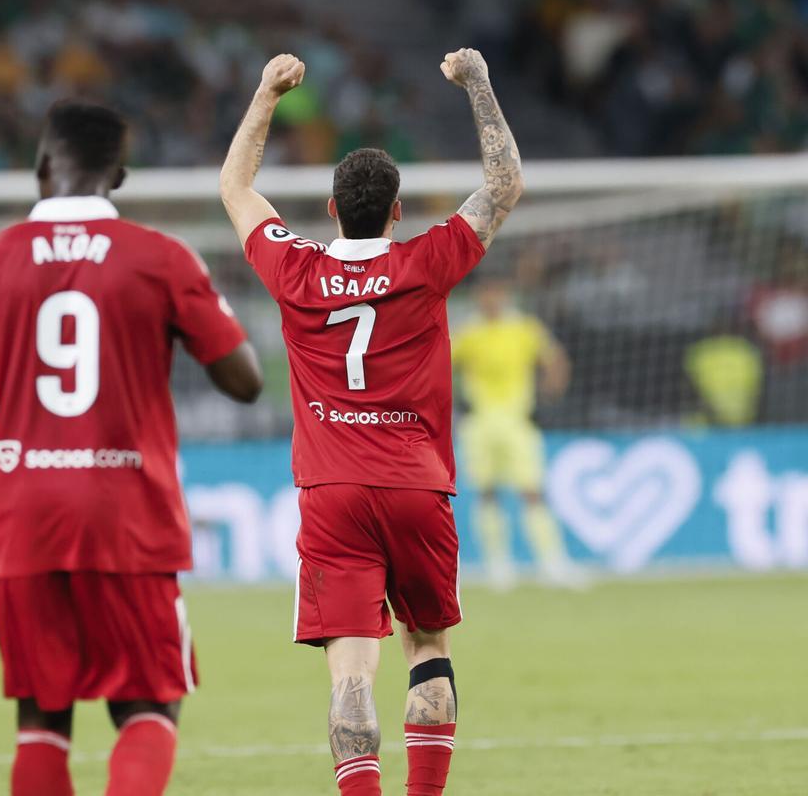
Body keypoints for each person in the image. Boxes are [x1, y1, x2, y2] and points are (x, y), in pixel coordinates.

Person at [0, 100, 262, 796]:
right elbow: (245, 381)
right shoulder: (161, 258)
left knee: (40, 717)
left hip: (25, 517)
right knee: (147, 704)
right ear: (121, 175)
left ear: (42, 167)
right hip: (129, 513)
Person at [219, 50, 523, 796]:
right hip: (418, 486)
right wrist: (479, 84)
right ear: (396, 210)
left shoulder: (296, 271)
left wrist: (266, 92)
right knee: (427, 644)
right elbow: (505, 182)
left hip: (332, 492)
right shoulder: (426, 261)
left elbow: (235, 185)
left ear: (330, 210)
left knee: (351, 671)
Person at [451, 275, 582, 589]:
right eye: (485, 293)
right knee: (487, 492)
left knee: (532, 491)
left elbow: (555, 360)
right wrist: (452, 402)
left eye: (496, 292)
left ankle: (552, 563)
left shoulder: (524, 328)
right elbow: (439, 365)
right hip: (479, 422)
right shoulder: (468, 332)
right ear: (478, 297)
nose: (491, 299)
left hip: (516, 420)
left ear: (505, 294)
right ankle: (498, 566)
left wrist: (550, 396)